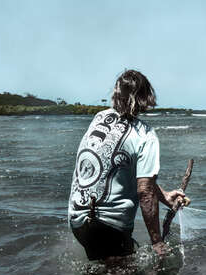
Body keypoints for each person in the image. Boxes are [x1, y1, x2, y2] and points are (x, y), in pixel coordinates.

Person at [68, 69, 186, 262]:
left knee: (101, 272)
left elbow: (124, 171)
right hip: (111, 226)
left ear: (116, 93)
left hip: (78, 221)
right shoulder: (145, 134)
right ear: (145, 98)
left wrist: (164, 196)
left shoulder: (99, 118)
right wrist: (156, 241)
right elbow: (145, 191)